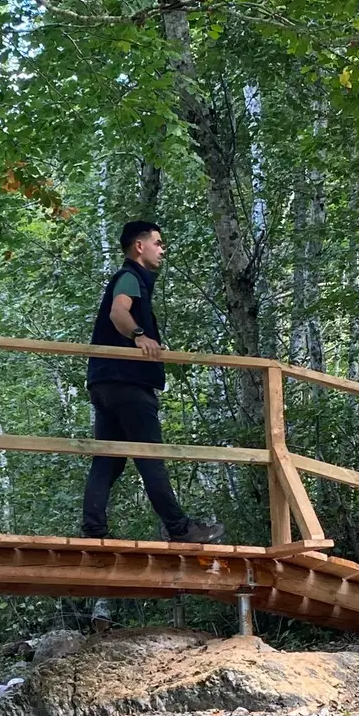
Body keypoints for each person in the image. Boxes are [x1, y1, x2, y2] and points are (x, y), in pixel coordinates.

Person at [79, 220, 224, 545]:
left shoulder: (131, 279)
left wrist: (149, 342)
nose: (163, 249)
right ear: (139, 246)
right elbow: (119, 313)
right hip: (128, 383)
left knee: (108, 459)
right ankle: (180, 528)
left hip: (104, 381)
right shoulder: (130, 277)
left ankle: (93, 528)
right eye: (158, 243)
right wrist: (140, 336)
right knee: (150, 456)